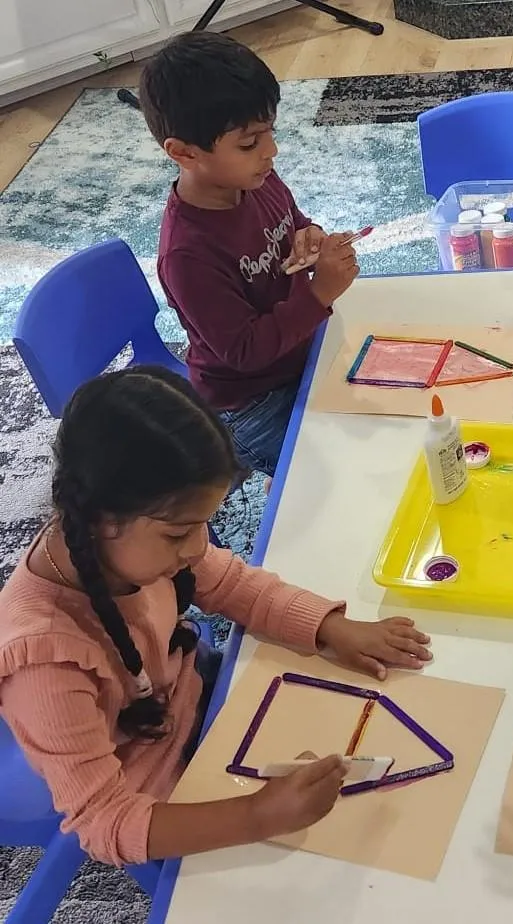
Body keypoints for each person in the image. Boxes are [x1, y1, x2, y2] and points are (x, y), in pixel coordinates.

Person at [0, 366, 431, 867]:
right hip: (163, 792)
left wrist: (329, 626)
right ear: (101, 519)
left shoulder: (128, 543)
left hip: (206, 698)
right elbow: (105, 822)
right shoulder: (43, 663)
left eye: (205, 524)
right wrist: (258, 816)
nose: (200, 547)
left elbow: (230, 583)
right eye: (179, 533)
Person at [139, 31, 359, 478]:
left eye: (269, 133)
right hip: (251, 403)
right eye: (249, 143)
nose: (270, 151)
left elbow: (294, 220)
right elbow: (243, 352)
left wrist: (309, 235)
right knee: (342, 477)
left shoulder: (256, 180)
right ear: (183, 152)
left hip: (303, 349)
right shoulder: (187, 254)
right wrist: (319, 295)